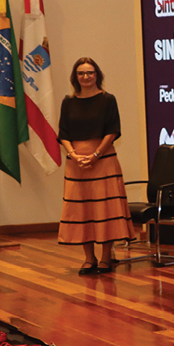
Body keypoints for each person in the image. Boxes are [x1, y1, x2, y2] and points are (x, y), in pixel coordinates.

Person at [57, 58, 136, 273]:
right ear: (75, 77)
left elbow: (113, 130)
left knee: (104, 210)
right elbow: (63, 133)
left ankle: (105, 258)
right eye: (81, 73)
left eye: (90, 73)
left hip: (103, 161)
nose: (86, 77)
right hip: (76, 164)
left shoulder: (107, 99)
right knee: (82, 211)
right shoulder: (68, 101)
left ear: (97, 75)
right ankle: (89, 258)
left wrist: (96, 154)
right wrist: (73, 154)